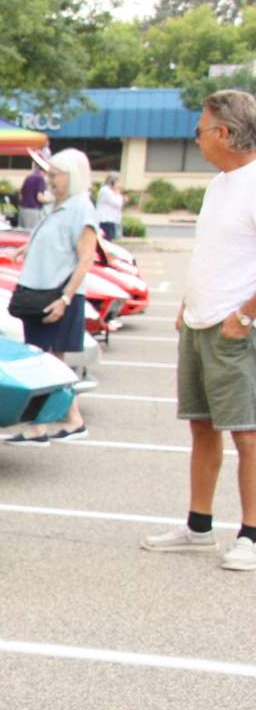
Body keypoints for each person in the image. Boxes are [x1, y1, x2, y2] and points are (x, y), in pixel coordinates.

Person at [140, 89, 256, 571]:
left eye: (200, 130)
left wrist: (245, 316)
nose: (197, 139)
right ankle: (198, 526)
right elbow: (215, 252)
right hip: (200, 321)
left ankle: (251, 535)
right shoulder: (219, 185)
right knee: (202, 425)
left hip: (237, 329)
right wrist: (188, 303)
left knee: (248, 433)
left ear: (224, 133)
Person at [4, 148, 95, 446]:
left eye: (55, 175)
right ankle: (71, 421)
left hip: (57, 295)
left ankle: (41, 427)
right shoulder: (57, 205)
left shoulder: (81, 208)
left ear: (73, 177)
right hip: (40, 292)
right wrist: (28, 248)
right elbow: (52, 241)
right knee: (49, 362)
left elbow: (85, 259)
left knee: (46, 363)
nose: (49, 180)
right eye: (49, 174)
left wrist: (65, 300)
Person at [96, 172, 125, 242]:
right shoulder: (105, 190)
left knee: (109, 241)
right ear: (112, 182)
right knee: (106, 241)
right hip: (105, 220)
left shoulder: (111, 191)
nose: (119, 185)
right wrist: (118, 194)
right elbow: (117, 203)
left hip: (110, 220)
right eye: (118, 182)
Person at [18, 163, 48, 229]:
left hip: (23, 209)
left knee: (22, 233)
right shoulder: (40, 178)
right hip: (33, 210)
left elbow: (20, 194)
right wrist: (51, 200)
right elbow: (40, 197)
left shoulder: (29, 176)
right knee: (31, 232)